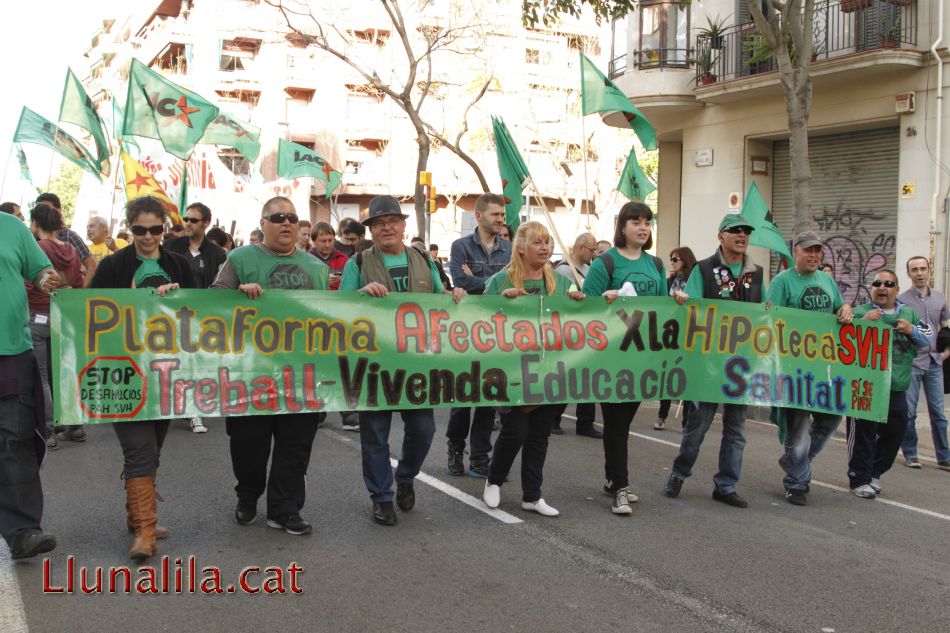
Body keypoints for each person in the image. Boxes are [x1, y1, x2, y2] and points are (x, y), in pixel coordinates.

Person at [340, 195, 466, 526]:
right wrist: (361, 294)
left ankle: (406, 476)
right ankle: (381, 498)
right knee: (375, 437)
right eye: (379, 224)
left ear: (403, 225)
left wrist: (455, 297)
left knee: (424, 429)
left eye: (392, 221)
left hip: (418, 364)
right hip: (374, 364)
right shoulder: (357, 264)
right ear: (371, 230)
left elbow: (441, 299)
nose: (387, 228)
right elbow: (339, 308)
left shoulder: (424, 260)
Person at [210, 197, 328, 536]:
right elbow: (210, 307)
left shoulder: (316, 269)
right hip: (250, 375)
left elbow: (331, 317)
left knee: (295, 447)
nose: (286, 223)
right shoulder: (239, 260)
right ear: (263, 223)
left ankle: (285, 509)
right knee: (249, 446)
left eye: (292, 217)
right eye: (278, 217)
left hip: (300, 376)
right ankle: (248, 495)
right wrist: (235, 295)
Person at [90, 195, 196, 559]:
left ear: (164, 228)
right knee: (140, 449)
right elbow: (89, 314)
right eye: (139, 230)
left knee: (153, 448)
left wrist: (177, 296)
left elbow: (200, 311)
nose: (148, 236)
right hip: (124, 371)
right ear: (130, 229)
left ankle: (136, 516)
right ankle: (146, 533)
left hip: (167, 371)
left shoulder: (179, 264)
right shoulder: (112, 266)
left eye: (154, 229)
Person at [481, 222, 586, 516]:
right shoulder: (501, 281)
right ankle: (494, 479)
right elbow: (478, 319)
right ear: (521, 247)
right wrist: (501, 304)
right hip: (511, 370)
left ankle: (532, 495)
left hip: (549, 368)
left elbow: (576, 320)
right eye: (538, 242)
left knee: (540, 433)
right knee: (514, 430)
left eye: (548, 242)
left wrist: (577, 301)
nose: (545, 248)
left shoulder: (560, 283)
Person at [664, 218, 762, 508]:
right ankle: (679, 473)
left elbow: (765, 315)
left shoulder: (756, 274)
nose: (742, 235)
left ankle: (726, 486)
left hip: (741, 365)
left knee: (737, 430)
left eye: (746, 231)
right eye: (736, 231)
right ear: (721, 236)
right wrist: (682, 301)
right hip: (708, 364)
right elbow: (691, 307)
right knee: (698, 427)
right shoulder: (703, 269)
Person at [582, 201, 667, 515]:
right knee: (616, 424)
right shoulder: (605, 263)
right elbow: (586, 309)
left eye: (647, 221)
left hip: (642, 356)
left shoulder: (656, 265)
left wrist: (678, 300)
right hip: (612, 356)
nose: (643, 227)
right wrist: (605, 300)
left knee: (623, 422)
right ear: (622, 226)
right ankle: (621, 486)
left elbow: (663, 310)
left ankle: (611, 478)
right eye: (636, 222)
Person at [766, 231, 853, 506]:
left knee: (831, 417)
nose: (814, 255)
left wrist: (847, 310)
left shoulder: (826, 280)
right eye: (808, 250)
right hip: (793, 368)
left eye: (818, 250)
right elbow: (769, 318)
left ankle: (792, 461)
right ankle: (797, 484)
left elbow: (840, 308)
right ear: (796, 253)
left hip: (825, 366)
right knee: (800, 425)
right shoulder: (781, 282)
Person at [0, 208, 60, 560]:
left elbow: (40, 271)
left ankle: (23, 533)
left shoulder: (11, 227)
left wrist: (45, 279)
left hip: (10, 351)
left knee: (14, 440)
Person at [848, 270, 931, 498]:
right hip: (866, 385)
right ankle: (859, 478)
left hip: (896, 386)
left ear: (896, 289)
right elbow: (840, 339)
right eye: (877, 283)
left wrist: (910, 330)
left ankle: (875, 471)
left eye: (888, 284)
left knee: (897, 430)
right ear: (871, 288)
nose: (882, 287)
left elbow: (928, 338)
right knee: (864, 432)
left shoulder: (909, 314)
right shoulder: (859, 312)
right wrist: (862, 323)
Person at [446, 193, 512, 478]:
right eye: (496, 214)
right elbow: (459, 282)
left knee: (487, 398)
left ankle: (480, 458)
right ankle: (455, 449)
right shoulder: (460, 246)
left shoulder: (509, 249)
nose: (501, 219)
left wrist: (479, 281)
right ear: (480, 216)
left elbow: (513, 281)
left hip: (496, 333)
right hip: (466, 332)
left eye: (502, 215)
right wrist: (494, 284)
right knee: (462, 396)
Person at [163, 202, 228, 434]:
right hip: (168, 318)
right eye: (186, 219)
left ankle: (195, 411)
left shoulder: (217, 254)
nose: (187, 223)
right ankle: (169, 405)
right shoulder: (170, 246)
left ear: (206, 223)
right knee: (171, 363)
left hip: (201, 319)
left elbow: (221, 285)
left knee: (196, 364)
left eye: (193, 220)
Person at [27, 205, 84, 451]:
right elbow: (79, 281)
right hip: (66, 316)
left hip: (39, 315)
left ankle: (48, 429)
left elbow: (30, 283)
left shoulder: (38, 248)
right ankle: (76, 425)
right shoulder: (71, 250)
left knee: (42, 376)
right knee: (67, 372)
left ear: (35, 223)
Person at [898, 256, 950, 471]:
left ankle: (944, 456)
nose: (919, 273)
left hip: (935, 362)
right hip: (912, 362)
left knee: (938, 412)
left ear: (929, 270)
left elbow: (945, 326)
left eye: (923, 268)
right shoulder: (901, 300)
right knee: (909, 412)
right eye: (915, 269)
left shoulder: (940, 298)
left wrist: (946, 351)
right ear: (909, 273)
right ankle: (911, 453)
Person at [550, 232, 602, 439]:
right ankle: (554, 418)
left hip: (586, 327)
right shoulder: (564, 270)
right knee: (566, 376)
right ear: (580, 247)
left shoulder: (587, 269)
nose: (594, 254)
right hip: (570, 328)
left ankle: (585, 422)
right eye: (591, 250)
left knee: (586, 377)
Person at [655, 246, 697, 430]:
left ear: (685, 261)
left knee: (687, 376)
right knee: (668, 374)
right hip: (670, 334)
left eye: (675, 259)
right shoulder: (668, 282)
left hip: (690, 335)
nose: (671, 262)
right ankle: (661, 415)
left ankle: (687, 420)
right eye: (670, 259)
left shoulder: (696, 282)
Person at [36, 193, 96, 287]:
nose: (42, 213)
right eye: (39, 210)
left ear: (58, 211)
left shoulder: (69, 236)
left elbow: (91, 265)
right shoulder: (31, 238)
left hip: (52, 299)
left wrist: (80, 294)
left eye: (46, 209)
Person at [309, 222, 349, 290]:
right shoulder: (307, 260)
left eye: (330, 240)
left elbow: (351, 284)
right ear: (314, 242)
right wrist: (323, 282)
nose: (327, 245)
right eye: (323, 241)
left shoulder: (344, 259)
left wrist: (343, 279)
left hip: (338, 299)